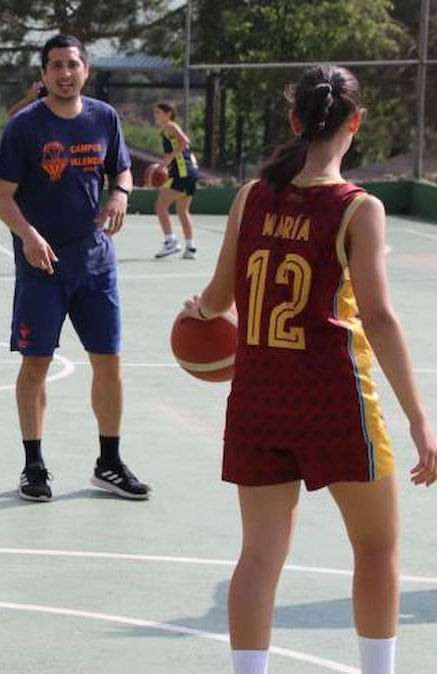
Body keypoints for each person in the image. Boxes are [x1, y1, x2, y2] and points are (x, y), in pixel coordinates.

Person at [182, 65, 437, 674]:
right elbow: (377, 316)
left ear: (294, 121)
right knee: (376, 548)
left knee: (259, 558)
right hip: (332, 400)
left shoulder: (251, 196)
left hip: (259, 400)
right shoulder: (357, 208)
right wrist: (420, 420)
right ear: (357, 122)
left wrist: (197, 313)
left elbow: (219, 299)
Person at [0, 34, 150, 503]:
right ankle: (34, 465)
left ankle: (110, 462)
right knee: (35, 364)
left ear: (85, 70)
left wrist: (120, 193)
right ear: (43, 75)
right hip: (41, 267)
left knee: (109, 362)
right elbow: (0, 197)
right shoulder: (25, 128)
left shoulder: (104, 118)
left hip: (96, 264)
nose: (64, 73)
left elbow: (122, 171)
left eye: (72, 64)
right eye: (55, 65)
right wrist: (29, 235)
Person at [151, 101, 200, 259]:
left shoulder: (170, 126)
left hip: (184, 172)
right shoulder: (165, 131)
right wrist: (163, 165)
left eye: (158, 112)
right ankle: (190, 247)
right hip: (189, 172)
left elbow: (185, 142)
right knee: (182, 210)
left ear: (168, 114)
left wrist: (166, 162)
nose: (155, 115)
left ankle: (170, 241)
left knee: (160, 206)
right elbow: (176, 152)